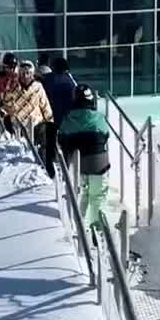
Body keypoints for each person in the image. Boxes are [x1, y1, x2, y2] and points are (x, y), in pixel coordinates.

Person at [58, 85, 111, 228]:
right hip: (98, 162)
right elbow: (106, 136)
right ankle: (98, 229)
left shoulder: (67, 119)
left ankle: (79, 227)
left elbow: (61, 139)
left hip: (76, 165)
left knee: (81, 195)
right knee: (98, 196)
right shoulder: (99, 117)